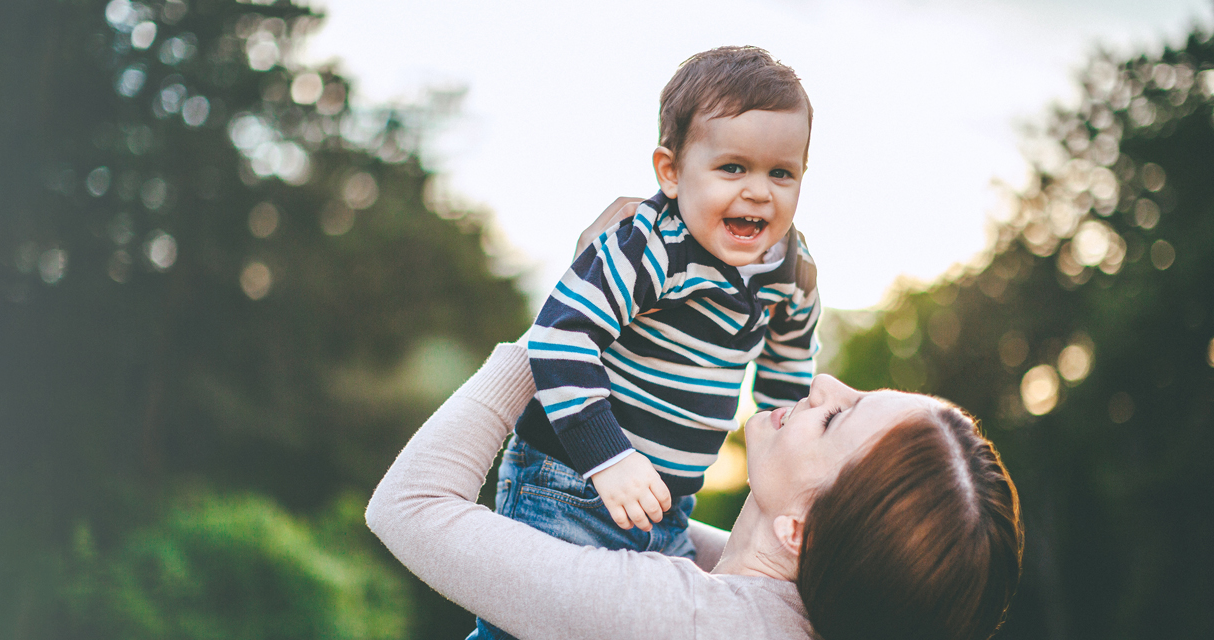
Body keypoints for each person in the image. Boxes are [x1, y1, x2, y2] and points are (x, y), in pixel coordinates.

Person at [482, 48, 823, 640]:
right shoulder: (648, 246)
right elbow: (561, 336)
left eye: (781, 173)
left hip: (668, 505)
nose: (759, 192)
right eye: (733, 168)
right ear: (671, 171)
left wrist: (787, 475)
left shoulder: (793, 270)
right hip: (570, 481)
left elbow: (789, 370)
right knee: (525, 630)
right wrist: (608, 458)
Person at [367, 342, 1022, 640]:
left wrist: (550, 349)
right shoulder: (785, 606)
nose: (823, 385)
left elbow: (409, 505)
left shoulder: (680, 622)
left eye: (835, 419)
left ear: (800, 530)